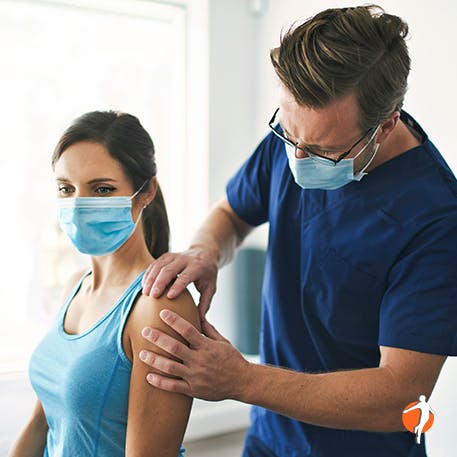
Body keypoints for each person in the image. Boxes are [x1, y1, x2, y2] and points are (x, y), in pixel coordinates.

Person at [138, 5, 457, 457]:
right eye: (290, 135)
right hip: (269, 442)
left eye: (322, 151)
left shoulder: (436, 220)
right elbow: (231, 213)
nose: (298, 160)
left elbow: (400, 396)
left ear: (384, 126)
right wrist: (204, 252)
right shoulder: (298, 134)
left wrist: (239, 379)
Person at [9, 111, 200, 457]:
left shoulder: (159, 305)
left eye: (102, 189)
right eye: (66, 189)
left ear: (146, 193)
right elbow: (43, 423)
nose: (79, 205)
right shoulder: (74, 288)